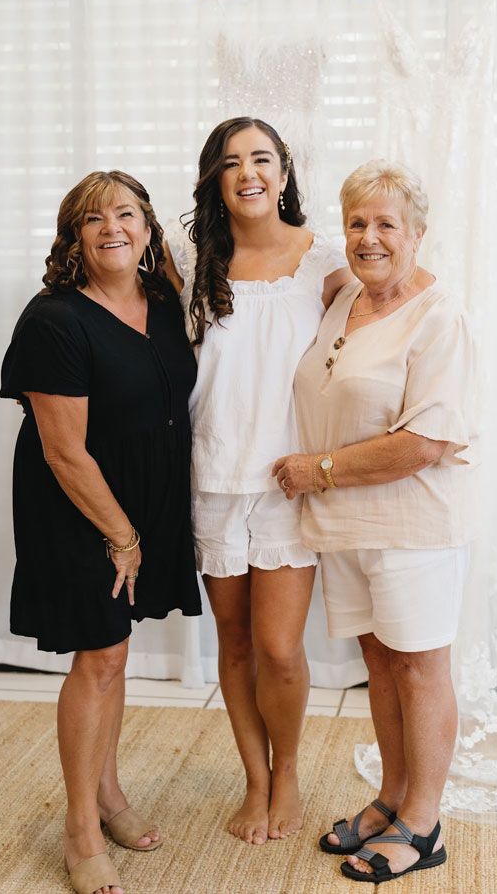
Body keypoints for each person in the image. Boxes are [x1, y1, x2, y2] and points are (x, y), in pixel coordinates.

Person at [273, 159, 477, 884]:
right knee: (380, 666)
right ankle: (391, 798)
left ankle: (423, 824)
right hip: (346, 527)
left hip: (410, 525)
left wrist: (316, 469)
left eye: (386, 223)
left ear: (417, 234)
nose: (368, 237)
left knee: (419, 670)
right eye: (357, 222)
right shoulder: (347, 300)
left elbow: (426, 441)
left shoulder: (437, 315)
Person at [0, 170, 201, 894]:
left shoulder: (161, 299)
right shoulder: (54, 319)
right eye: (93, 219)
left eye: (125, 214)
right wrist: (122, 535)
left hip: (140, 503)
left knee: (114, 655)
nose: (111, 227)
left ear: (148, 229)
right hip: (80, 506)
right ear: (73, 237)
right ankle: (81, 831)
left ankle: (109, 796)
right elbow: (62, 450)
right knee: (99, 659)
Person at [163, 117, 351, 845]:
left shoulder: (321, 260)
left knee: (279, 648)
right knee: (234, 645)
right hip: (211, 477)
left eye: (262, 159)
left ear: (283, 172)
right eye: (232, 161)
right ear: (214, 177)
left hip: (287, 479)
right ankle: (255, 779)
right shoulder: (188, 260)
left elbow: (387, 309)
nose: (249, 172)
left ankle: (291, 771)